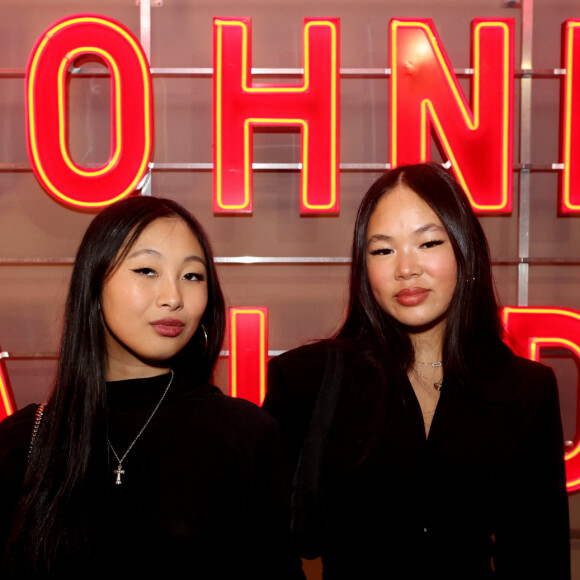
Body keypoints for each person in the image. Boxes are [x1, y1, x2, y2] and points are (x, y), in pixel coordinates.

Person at [264, 163, 570, 579]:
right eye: (383, 250)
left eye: (428, 243)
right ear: (363, 268)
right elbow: (262, 545)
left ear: (466, 251)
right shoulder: (304, 380)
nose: (406, 268)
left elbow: (540, 556)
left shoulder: (525, 389)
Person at [0, 195, 302, 579]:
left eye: (192, 276)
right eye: (146, 270)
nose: (173, 298)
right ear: (94, 285)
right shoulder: (24, 440)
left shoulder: (247, 437)